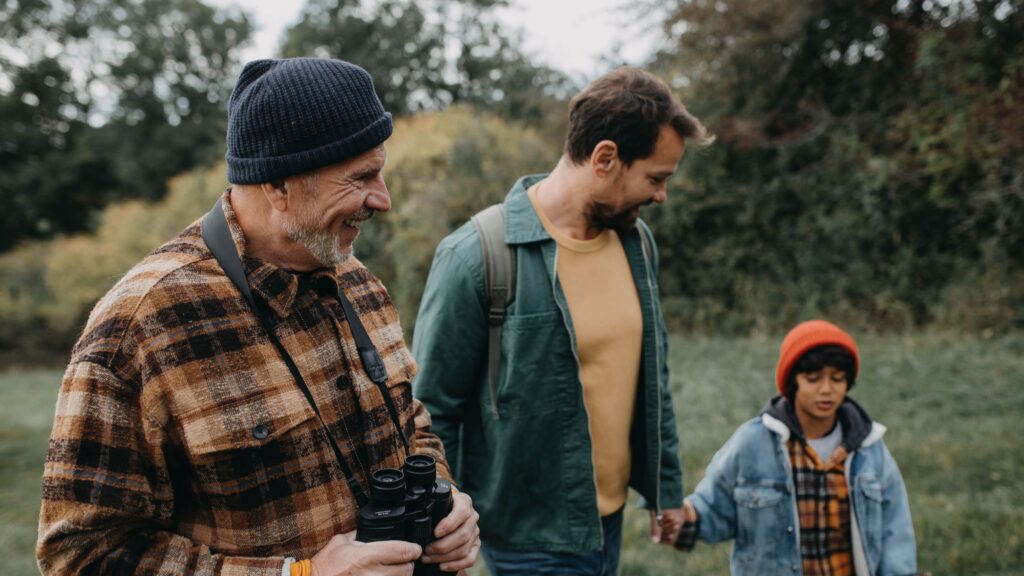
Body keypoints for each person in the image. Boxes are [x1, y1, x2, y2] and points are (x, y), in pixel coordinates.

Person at [37, 58, 480, 576]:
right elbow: (81, 553)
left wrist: (445, 497)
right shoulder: (143, 325)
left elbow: (411, 427)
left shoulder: (360, 283)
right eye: (361, 177)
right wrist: (300, 574)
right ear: (278, 186)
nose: (383, 199)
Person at [411, 67, 713, 575]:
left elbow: (653, 377)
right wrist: (444, 529)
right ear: (605, 158)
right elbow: (431, 408)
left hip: (608, 523)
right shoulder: (475, 255)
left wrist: (664, 490)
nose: (661, 195)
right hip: (528, 535)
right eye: (656, 178)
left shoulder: (637, 245)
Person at [673, 320, 917, 575]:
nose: (827, 390)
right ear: (792, 383)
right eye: (813, 379)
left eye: (837, 379)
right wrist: (681, 518)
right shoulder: (752, 442)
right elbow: (714, 509)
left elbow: (895, 528)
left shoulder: (869, 448)